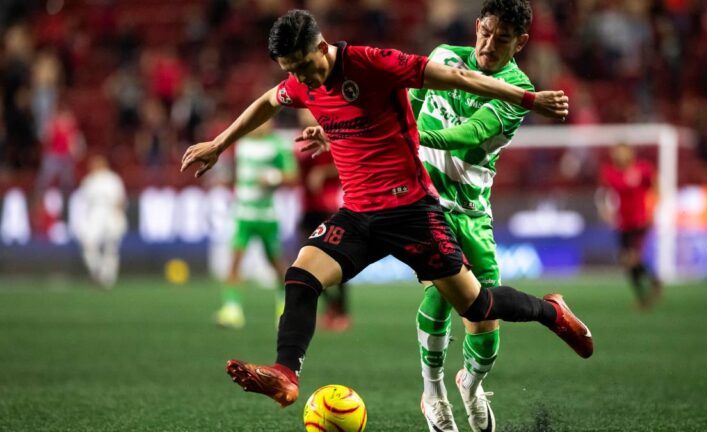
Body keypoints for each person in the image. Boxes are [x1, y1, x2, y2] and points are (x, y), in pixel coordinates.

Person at [181, 9, 590, 410]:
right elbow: (269, 101)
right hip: (359, 215)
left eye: (304, 66)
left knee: (478, 307)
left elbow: (459, 77)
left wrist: (529, 98)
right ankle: (286, 375)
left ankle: (549, 311)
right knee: (301, 275)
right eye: (292, 69)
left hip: (412, 211)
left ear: (321, 47)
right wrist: (219, 143)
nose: (302, 78)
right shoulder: (302, 82)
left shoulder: (371, 63)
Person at [408, 1, 545, 430]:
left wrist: (413, 138)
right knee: (439, 291)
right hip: (426, 204)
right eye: (485, 32)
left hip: (472, 210)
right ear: (477, 26)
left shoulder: (517, 88)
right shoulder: (443, 57)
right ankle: (432, 394)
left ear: (519, 42)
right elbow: (409, 103)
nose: (488, 44)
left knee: (485, 317)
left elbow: (469, 136)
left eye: (502, 38)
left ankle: (470, 382)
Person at [215, 119, 297, 329]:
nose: (261, 125)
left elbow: (292, 175)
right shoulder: (240, 143)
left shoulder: (277, 145)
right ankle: (232, 310)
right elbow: (234, 172)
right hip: (243, 213)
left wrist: (273, 177)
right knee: (235, 260)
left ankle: (284, 305)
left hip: (266, 214)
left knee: (276, 262)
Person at [294, 110, 349, 332]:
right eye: (302, 114)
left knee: (337, 262)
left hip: (328, 208)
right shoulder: (299, 140)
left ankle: (342, 311)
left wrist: (323, 173)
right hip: (307, 208)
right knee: (304, 263)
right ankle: (331, 306)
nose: (305, 117)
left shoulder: (330, 138)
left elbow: (345, 163)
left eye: (309, 113)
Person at [597, 143, 662, 310]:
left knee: (632, 258)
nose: (619, 157)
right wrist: (604, 210)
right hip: (622, 223)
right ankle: (650, 285)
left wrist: (653, 208)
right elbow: (603, 194)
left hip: (640, 221)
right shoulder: (611, 173)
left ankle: (647, 293)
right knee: (627, 262)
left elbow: (655, 187)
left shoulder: (642, 169)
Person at [73, 155, 127, 288]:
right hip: (95, 214)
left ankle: (108, 277)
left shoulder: (113, 179)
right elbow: (82, 203)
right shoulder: (89, 181)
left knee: (111, 247)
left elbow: (120, 199)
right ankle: (97, 270)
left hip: (111, 213)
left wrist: (118, 216)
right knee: (89, 243)